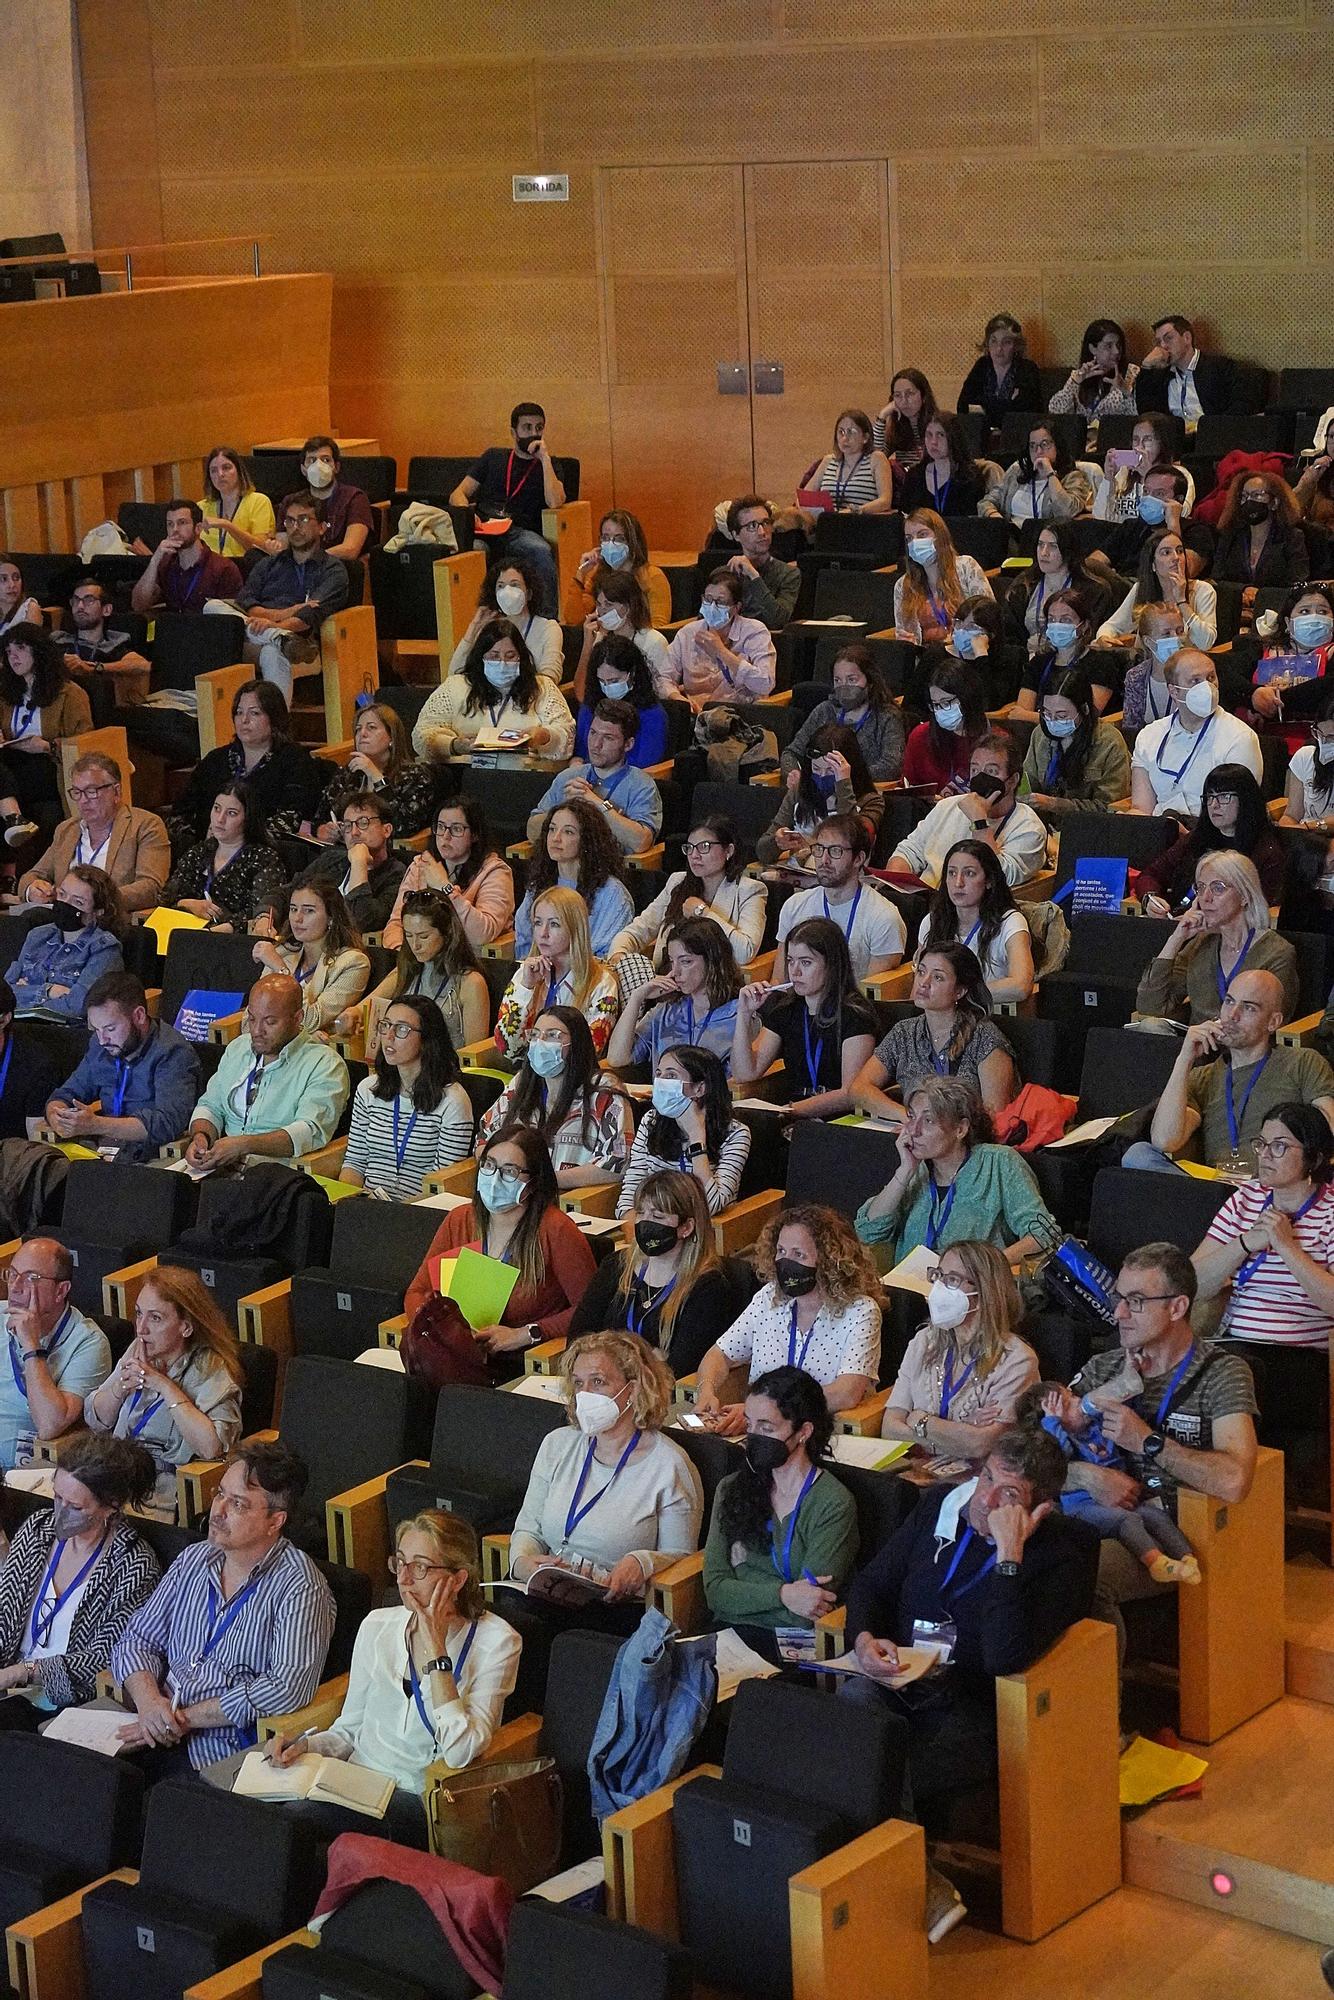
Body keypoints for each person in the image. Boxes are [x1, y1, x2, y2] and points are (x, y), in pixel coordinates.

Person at [844, 1426, 1090, 1942]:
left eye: (1010, 1495)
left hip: (975, 1708)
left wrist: (1008, 1557)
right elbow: (871, 1584)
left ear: (1041, 1508)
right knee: (850, 1710)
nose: (987, 1500)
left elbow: (1004, 1658)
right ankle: (914, 1881)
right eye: (987, 1481)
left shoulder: (1062, 1557)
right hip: (898, 1679)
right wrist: (865, 1639)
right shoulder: (939, 1507)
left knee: (875, 1763)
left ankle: (889, 1898)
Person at [263, 1509, 521, 1850]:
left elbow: (460, 1752)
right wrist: (306, 1746)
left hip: (417, 1799)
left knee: (298, 1825)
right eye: (400, 1563)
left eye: (420, 1568)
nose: (403, 1579)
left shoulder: (498, 1642)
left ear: (458, 1579)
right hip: (354, 1782)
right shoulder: (377, 1626)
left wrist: (437, 1651)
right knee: (262, 1812)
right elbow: (350, 1730)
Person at [1064, 1244, 1257, 1649]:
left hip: (1181, 1537)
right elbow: (1034, 1452)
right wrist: (1086, 1474)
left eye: (1135, 1302)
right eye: (1119, 1298)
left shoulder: (1221, 1373)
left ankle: (1098, 1707)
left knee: (1080, 1577)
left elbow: (1236, 1479)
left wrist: (1147, 1441)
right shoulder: (1104, 1368)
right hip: (1092, 1513)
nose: (1118, 1313)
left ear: (1177, 1307)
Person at [500, 1333, 702, 1707]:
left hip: (614, 1604)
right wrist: (525, 1562)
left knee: (529, 1636)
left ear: (633, 1387)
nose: (586, 1394)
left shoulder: (669, 1465)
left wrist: (641, 1563)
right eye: (578, 1383)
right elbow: (527, 1527)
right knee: (498, 1623)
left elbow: (684, 1559)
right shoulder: (558, 1445)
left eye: (599, 1381)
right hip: (546, 1589)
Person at [112, 1440, 336, 1774]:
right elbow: (137, 1639)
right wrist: (149, 1704)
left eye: (239, 1505)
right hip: (149, 1721)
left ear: (275, 1521)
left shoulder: (301, 1588)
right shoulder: (195, 1558)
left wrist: (185, 1718)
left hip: (218, 1750)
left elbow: (286, 1689)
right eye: (220, 1494)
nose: (217, 1511)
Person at [0, 1436, 160, 1726]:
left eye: (75, 1506)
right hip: (10, 1685)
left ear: (110, 1507)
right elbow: (3, 1610)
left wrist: (24, 1671)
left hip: (63, 1702)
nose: (60, 1512)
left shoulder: (133, 1564)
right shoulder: (38, 1530)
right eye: (57, 1497)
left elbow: (106, 1657)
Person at [403, 1127, 596, 1363]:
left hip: (521, 1359)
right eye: (489, 1165)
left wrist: (527, 1333)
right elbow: (417, 1292)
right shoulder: (460, 1220)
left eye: (509, 1171)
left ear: (533, 1182)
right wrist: (433, 1332)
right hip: (454, 1355)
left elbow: (589, 1311)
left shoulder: (556, 1230)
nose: (494, 1178)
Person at [702, 1366, 859, 1653]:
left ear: (803, 1432)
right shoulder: (732, 1488)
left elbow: (808, 1612)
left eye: (766, 1428)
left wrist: (741, 1596)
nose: (753, 1436)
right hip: (726, 1635)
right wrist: (784, 1594)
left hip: (790, 1646)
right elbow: (714, 1591)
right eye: (750, 1425)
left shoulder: (832, 1504)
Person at [694, 1206, 882, 1433]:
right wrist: (707, 1391)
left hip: (820, 1434)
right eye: (781, 1251)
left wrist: (762, 1413)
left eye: (798, 1254)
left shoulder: (861, 1311)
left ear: (828, 1261)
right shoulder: (768, 1297)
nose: (786, 1262)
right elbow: (719, 1355)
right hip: (756, 1432)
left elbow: (846, 1393)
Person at [1126, 970, 1334, 1175]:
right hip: (1216, 1188)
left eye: (1249, 1008)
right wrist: (1184, 1059)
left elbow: (1328, 1128)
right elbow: (1165, 1140)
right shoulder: (1203, 1077)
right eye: (1229, 1001)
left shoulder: (1302, 1062)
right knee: (1138, 1155)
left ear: (1273, 1022)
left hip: (1272, 1187)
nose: (1232, 1015)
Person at [84, 1268, 244, 1518]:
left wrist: (164, 1386)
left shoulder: (210, 1368)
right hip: (114, 1477)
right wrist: (118, 1390)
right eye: (138, 1314)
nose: (141, 1328)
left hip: (161, 1493)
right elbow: (96, 1419)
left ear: (186, 1327)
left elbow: (212, 1446)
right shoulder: (138, 1348)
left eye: (155, 1318)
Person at [855, 1077, 1060, 1263]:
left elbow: (1043, 1234)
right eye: (911, 1117)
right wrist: (904, 1170)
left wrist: (986, 1268)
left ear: (960, 1129)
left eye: (928, 1120)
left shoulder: (999, 1162)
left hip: (972, 1292)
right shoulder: (917, 1170)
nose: (913, 1130)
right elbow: (867, 1232)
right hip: (912, 1295)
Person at [1021, 1379, 1201, 1585]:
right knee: (1125, 1519)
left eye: (1072, 1395)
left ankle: (1187, 1559)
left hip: (1119, 1500)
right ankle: (1157, 1563)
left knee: (1155, 1515)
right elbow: (1061, 1456)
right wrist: (1052, 1422)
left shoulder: (1094, 1428)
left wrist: (1129, 1379)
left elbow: (1119, 1407)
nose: (1079, 1401)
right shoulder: (1061, 1440)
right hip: (1083, 1507)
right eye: (1068, 1404)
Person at [1193, 1102, 1334, 1361]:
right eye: (1261, 1143)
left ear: (1314, 1157)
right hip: (1233, 1346)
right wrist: (1244, 1243)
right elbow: (1191, 1283)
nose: (1265, 1155)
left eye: (1279, 1146)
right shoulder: (1245, 1198)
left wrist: (1287, 1248)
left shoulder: (1330, 1213)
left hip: (1299, 1357)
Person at [568, 1168, 738, 1377]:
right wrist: (651, 1356)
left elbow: (681, 1367)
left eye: (657, 1215)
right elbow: (578, 1339)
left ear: (686, 1227)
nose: (644, 1222)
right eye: (640, 1212)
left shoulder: (708, 1287)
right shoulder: (616, 1265)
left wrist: (610, 1353)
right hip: (600, 1384)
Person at [881, 1241, 1039, 1457]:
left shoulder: (1017, 1360)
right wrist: (959, 1434)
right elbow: (889, 1429)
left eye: (952, 1279)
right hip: (914, 1468)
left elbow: (981, 1446)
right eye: (938, 1275)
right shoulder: (923, 1341)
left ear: (986, 1292)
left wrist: (919, 1419)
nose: (939, 1287)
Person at [185, 973, 351, 1171]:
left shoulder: (325, 1064)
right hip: (222, 1165)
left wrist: (243, 1145)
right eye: (252, 1019)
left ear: (297, 1018)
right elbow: (211, 1105)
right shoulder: (238, 1048)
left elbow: (309, 1132)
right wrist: (201, 1137)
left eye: (270, 1022)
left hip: (276, 1174)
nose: (256, 1030)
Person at [205, 496, 349, 704]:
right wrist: (276, 624)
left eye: (304, 520)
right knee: (211, 607)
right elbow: (247, 602)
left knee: (273, 653)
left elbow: (309, 615)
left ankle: (277, 727)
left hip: (303, 646)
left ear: (322, 527)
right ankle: (278, 636)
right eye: (290, 521)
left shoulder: (333, 570)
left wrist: (272, 621)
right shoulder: (269, 564)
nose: (295, 527)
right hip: (256, 634)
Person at [852, 944, 1018, 1123]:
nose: (924, 982)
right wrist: (909, 1118)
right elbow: (859, 1088)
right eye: (921, 972)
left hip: (965, 1143)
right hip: (916, 1138)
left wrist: (937, 1132)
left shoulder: (985, 1038)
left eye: (938, 977)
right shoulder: (904, 1032)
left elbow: (994, 1117)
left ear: (960, 991)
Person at [733, 918, 878, 1120]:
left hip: (840, 1119)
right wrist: (744, 1014)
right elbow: (745, 1073)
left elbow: (850, 1093)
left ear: (832, 965)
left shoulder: (855, 1015)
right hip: (795, 1115)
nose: (795, 971)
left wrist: (791, 1111)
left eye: (806, 962)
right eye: (791, 961)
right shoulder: (786, 1010)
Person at [45, 970, 200, 1160]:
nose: (102, 1040)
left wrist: (97, 1124)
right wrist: (57, 1116)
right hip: (100, 1150)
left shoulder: (172, 1052)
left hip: (149, 1156)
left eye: (110, 1028)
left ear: (139, 1016)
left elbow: (167, 1123)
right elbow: (66, 1093)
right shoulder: (101, 1045)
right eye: (96, 1029)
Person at [1134, 851, 1297, 1026]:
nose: (1206, 898)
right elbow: (1150, 1006)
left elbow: (1270, 1022)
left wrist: (1213, 1032)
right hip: (1197, 1045)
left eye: (1218, 888)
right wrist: (1176, 938)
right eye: (1201, 888)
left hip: (1244, 1048)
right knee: (1150, 1025)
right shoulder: (1201, 943)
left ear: (1244, 896)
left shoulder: (1277, 952)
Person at [479, 1005, 633, 1188]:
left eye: (553, 1035)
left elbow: (616, 1162)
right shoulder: (521, 1083)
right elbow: (483, 1141)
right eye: (535, 1035)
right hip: (510, 1192)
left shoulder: (604, 1090)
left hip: (569, 1198)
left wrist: (541, 1182)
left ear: (576, 1043)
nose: (540, 1042)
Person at [338, 995, 472, 1198]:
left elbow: (441, 1185)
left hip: (418, 1211)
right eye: (386, 1025)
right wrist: (352, 1202)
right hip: (367, 1205)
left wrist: (398, 1213)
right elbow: (354, 1162)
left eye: (401, 1029)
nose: (389, 1037)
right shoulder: (368, 1089)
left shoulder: (452, 1101)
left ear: (427, 1039)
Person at [169, 680, 321, 852]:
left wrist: (240, 840)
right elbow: (180, 813)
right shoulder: (215, 760)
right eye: (239, 713)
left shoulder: (294, 760)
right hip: (206, 851)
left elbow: (291, 819)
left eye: (255, 713)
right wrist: (200, 841)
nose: (244, 720)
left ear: (275, 717)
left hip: (264, 853)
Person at [0, 1237, 111, 1471]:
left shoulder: (88, 1342)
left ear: (61, 1290)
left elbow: (50, 1425)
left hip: (28, 1474)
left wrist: (32, 1347)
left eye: (32, 1278)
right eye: (12, 1274)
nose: (16, 1286)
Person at [886, 730, 1047, 890]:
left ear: (1012, 780)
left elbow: (1000, 877)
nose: (980, 778)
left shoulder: (1029, 828)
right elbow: (908, 851)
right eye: (975, 770)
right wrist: (897, 884)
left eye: (991, 771)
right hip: (925, 899)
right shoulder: (947, 806)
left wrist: (979, 821)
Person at [337, 887, 489, 1055]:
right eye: (409, 935)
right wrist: (351, 1015)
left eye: (423, 936)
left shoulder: (471, 983)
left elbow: (474, 1054)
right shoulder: (406, 970)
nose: (415, 945)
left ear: (448, 933)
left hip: (445, 1071)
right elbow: (364, 1007)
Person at [608, 812, 766, 970]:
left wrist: (703, 913)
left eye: (704, 847)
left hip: (713, 987)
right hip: (665, 980)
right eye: (689, 848)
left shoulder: (749, 890)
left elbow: (745, 952)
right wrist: (619, 954)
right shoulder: (677, 882)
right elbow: (640, 928)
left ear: (729, 851)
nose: (694, 855)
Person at [447, 402, 564, 615]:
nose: (533, 433)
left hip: (520, 532)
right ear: (513, 432)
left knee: (540, 550)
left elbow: (556, 501)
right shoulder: (493, 457)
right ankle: (478, 619)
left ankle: (548, 621)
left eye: (539, 428)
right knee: (474, 552)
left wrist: (544, 459)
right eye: (527, 427)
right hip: (484, 528)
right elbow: (458, 494)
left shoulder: (550, 465)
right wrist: (467, 514)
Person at [15, 751, 169, 913]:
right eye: (77, 792)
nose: (82, 800)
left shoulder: (145, 825)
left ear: (116, 792)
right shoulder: (67, 829)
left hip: (110, 922)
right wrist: (33, 889)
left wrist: (95, 899)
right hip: (63, 920)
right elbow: (32, 876)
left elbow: (151, 888)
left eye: (91, 792)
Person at [412, 616, 574, 764]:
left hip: (524, 777)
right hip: (465, 775)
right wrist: (456, 745)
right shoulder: (455, 687)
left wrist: (543, 736)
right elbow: (421, 736)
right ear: (481, 657)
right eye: (494, 656)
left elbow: (566, 734)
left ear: (521, 657)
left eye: (510, 656)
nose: (502, 663)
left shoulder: (542, 687)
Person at [615, 1044, 750, 1219]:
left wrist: (696, 1138)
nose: (661, 1082)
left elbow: (711, 1205)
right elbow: (629, 1196)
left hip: (704, 1230)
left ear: (699, 1089)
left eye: (671, 1076)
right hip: (653, 1222)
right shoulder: (651, 1120)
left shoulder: (736, 1133)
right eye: (658, 1074)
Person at [1129, 649, 1263, 818]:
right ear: (1174, 691)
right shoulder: (1148, 736)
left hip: (1213, 835)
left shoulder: (1240, 738)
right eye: (1195, 680)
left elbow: (1238, 814)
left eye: (1211, 678)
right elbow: (1142, 808)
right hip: (1160, 831)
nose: (1207, 687)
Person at [1138, 763, 1287, 912]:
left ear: (1246, 800)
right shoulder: (1196, 839)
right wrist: (1150, 899)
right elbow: (1150, 875)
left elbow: (1258, 911)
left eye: (1224, 797)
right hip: (1180, 921)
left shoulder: (1267, 852)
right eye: (1210, 796)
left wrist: (1202, 922)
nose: (1214, 805)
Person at [773, 814, 906, 980]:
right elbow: (779, 982)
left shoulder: (883, 918)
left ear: (858, 859)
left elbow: (874, 999)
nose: (824, 860)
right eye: (819, 849)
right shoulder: (794, 906)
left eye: (836, 851)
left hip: (850, 1005)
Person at [497, 884, 620, 1061]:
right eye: (538, 923)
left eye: (554, 924)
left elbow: (589, 1051)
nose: (543, 933)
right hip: (527, 1075)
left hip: (573, 1080)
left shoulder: (601, 983)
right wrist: (526, 988)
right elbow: (507, 1048)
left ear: (575, 929)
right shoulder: (524, 975)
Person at [525, 700, 662, 857]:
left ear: (628, 744)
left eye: (608, 738)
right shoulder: (568, 777)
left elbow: (640, 842)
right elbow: (532, 830)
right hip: (563, 871)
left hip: (613, 872)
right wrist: (566, 810)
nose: (596, 744)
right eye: (593, 733)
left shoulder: (641, 784)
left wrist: (596, 804)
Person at [381, 798, 514, 954]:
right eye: (441, 827)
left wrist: (445, 887)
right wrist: (402, 956)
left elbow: (482, 934)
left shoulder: (495, 871)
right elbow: (396, 923)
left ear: (475, 835)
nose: (445, 836)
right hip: (420, 960)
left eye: (456, 829)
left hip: (468, 964)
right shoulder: (420, 866)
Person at [609, 916, 740, 1071]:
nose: (675, 971)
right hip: (663, 1095)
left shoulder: (738, 1014)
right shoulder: (666, 1011)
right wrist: (637, 997)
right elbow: (616, 1058)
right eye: (672, 961)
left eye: (685, 962)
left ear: (712, 961)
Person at [0, 626, 92, 845]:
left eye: (20, 648)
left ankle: (13, 817)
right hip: (11, 764)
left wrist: (47, 746)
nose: (13, 656)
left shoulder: (70, 694)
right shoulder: (5, 695)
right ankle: (13, 820)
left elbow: (87, 745)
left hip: (50, 765)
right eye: (8, 651)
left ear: (39, 651)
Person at [514, 800, 633, 962]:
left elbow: (603, 955)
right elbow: (524, 941)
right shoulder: (539, 884)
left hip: (588, 980)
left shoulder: (612, 893)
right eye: (552, 829)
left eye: (568, 832)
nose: (556, 838)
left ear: (587, 840)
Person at [161, 781, 287, 933]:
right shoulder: (199, 851)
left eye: (231, 813)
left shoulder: (263, 858)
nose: (220, 819)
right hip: (189, 933)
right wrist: (188, 903)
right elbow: (166, 896)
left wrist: (220, 931)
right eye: (216, 809)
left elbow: (261, 912)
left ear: (248, 818)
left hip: (235, 939)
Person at [917, 843, 1035, 1003]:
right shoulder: (932, 921)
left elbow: (1020, 986)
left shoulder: (1010, 922)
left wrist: (956, 994)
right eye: (951, 873)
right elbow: (919, 985)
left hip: (990, 1016)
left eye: (969, 873)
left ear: (989, 881)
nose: (958, 882)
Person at [252, 876, 371, 1034]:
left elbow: (311, 1020)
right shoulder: (283, 952)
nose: (297, 918)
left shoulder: (353, 963)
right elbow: (250, 1020)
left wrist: (280, 970)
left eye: (309, 911)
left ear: (331, 917)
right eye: (294, 909)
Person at [6, 866, 124, 1019]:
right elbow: (5, 994)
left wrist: (25, 993)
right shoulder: (37, 935)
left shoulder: (104, 949)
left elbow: (79, 1006)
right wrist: (49, 991)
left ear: (98, 912)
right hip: (17, 1027)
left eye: (78, 902)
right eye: (62, 894)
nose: (65, 904)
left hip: (65, 1034)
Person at [757, 724, 883, 868]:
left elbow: (853, 842)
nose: (822, 776)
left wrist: (843, 784)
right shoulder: (800, 790)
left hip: (839, 879)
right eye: (816, 769)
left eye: (831, 771)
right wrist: (777, 842)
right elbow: (762, 852)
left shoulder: (872, 801)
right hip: (798, 876)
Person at [309, 702, 436, 844]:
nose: (362, 734)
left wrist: (376, 776)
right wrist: (324, 830)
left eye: (371, 727)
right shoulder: (347, 774)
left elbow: (403, 825)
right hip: (342, 851)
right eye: (358, 729)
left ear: (391, 737)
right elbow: (318, 819)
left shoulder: (415, 775)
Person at [780, 643, 905, 784]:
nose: (844, 687)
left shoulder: (887, 716)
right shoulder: (824, 711)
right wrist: (793, 772)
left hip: (866, 794)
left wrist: (843, 776)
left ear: (870, 681)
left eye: (852, 680)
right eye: (838, 680)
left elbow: (891, 767)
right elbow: (791, 753)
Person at [659, 568, 776, 708]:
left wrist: (721, 651)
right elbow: (663, 677)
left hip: (740, 714)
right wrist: (677, 698)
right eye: (708, 600)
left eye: (721, 602)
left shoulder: (755, 632)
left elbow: (765, 683)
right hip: (695, 714)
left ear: (736, 607)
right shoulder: (687, 633)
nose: (712, 607)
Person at [1021, 668, 1131, 814]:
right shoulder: (1040, 734)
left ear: (1084, 709)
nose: (1052, 721)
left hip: (1088, 827)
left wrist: (1055, 804)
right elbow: (1029, 782)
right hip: (1042, 822)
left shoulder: (1109, 743)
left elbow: (1109, 807)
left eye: (1061, 716)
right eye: (1046, 713)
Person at [1095, 527, 1218, 655]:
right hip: (1148, 666)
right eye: (1166, 553)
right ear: (1153, 565)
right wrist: (1103, 638)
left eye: (1180, 551)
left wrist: (1182, 602)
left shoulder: (1203, 590)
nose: (1176, 557)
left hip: (1187, 668)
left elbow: (1206, 643)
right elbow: (1112, 626)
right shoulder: (1141, 588)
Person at [301, 791, 407, 937]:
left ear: (386, 830)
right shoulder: (331, 859)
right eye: (347, 826)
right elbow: (289, 891)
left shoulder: (397, 876)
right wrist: (265, 915)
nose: (354, 832)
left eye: (363, 823)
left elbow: (361, 922)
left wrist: (359, 864)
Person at [448, 553, 563, 682]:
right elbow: (454, 674)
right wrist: (474, 628)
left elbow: (551, 676)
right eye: (501, 586)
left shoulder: (548, 628)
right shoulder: (489, 629)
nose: (507, 591)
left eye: (515, 585)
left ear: (529, 593)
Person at [1247, 583, 1334, 751]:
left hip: (1317, 745)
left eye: (1323, 611)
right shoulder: (1264, 650)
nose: (1314, 617)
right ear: (1288, 622)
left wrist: (1272, 701)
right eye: (1304, 611)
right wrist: (1251, 696)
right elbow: (1226, 673)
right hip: (1261, 741)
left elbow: (1324, 688)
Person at [1006, 521, 1113, 657]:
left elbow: (1092, 637)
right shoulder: (1021, 587)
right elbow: (1010, 635)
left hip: (1072, 661)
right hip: (1027, 662)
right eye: (1040, 545)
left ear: (1068, 550)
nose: (1044, 553)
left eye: (1053, 546)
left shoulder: (1095, 591)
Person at [131, 498, 242, 619]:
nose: (175, 530)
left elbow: (232, 620)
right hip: (173, 632)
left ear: (198, 528)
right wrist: (155, 560)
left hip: (207, 633)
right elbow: (138, 605)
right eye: (170, 524)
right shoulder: (165, 564)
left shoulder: (223, 568)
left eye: (182, 522)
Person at [893, 511, 993, 644]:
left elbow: (990, 617)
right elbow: (904, 631)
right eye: (909, 538)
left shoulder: (966, 566)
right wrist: (907, 642)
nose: (915, 542)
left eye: (922, 535)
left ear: (939, 536)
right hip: (926, 658)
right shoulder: (902, 585)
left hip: (968, 652)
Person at [572, 633, 670, 768]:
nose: (607, 687)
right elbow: (580, 752)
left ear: (632, 674)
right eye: (602, 681)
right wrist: (575, 765)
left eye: (614, 681)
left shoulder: (652, 714)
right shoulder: (590, 706)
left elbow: (646, 764)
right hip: (588, 778)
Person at [571, 574, 671, 705]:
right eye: (599, 604)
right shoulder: (600, 640)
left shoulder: (654, 642)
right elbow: (581, 694)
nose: (602, 611)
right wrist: (587, 645)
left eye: (609, 604)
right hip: (603, 711)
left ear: (629, 606)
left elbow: (660, 696)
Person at [277, 437, 376, 561]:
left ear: (336, 467)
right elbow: (282, 546)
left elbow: (350, 549)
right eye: (311, 460)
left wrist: (311, 558)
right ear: (303, 470)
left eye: (326, 460)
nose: (318, 466)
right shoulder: (291, 502)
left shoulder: (354, 498)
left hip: (337, 567)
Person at [59, 577, 150, 712]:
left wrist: (95, 668)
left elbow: (143, 666)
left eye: (89, 600)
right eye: (76, 600)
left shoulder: (113, 645)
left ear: (106, 610)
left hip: (96, 709)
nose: (80, 606)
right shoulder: (58, 640)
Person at [1211, 469, 1308, 595]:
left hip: (1275, 607)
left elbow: (1298, 582)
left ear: (1274, 502)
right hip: (1236, 607)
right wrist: (1243, 589)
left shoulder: (1292, 537)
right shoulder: (1230, 535)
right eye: (1244, 496)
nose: (1249, 501)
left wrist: (1261, 594)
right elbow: (1216, 579)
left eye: (1257, 495)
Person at [980, 420, 1094, 526]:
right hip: (1010, 535)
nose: (1038, 451)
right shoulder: (1017, 472)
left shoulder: (1073, 477)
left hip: (1044, 539)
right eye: (1032, 446)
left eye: (1044, 444)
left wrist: (1050, 474)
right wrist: (996, 518)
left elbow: (1066, 513)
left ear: (1057, 446)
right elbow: (986, 502)